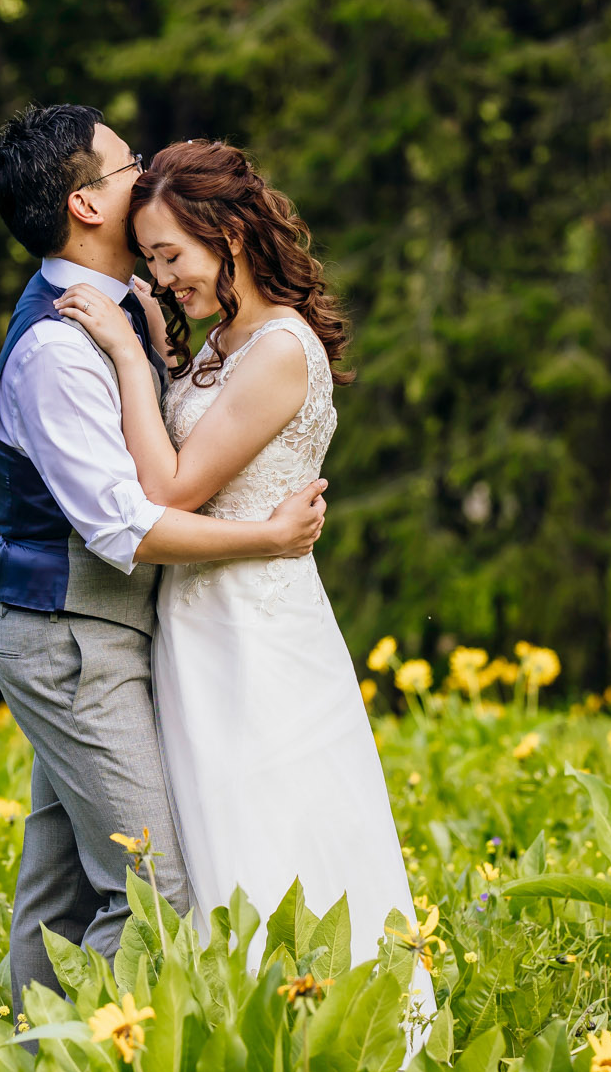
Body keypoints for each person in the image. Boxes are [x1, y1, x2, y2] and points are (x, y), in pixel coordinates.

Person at [54, 139, 427, 1010]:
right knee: (210, 828)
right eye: (148, 258)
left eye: (170, 255)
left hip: (256, 631)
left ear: (227, 235)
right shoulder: (226, 341)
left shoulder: (282, 351)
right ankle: (239, 1035)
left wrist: (121, 351)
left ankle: (329, 1029)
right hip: (198, 620)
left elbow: (169, 486)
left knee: (271, 821)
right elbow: (192, 437)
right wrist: (157, 345)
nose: (161, 274)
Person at [0, 105, 331, 1023]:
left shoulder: (128, 312)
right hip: (73, 644)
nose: (146, 173)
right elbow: (128, 526)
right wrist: (265, 537)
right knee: (151, 891)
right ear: (87, 202)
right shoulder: (57, 347)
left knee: (60, 891)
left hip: (101, 639)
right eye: (129, 163)